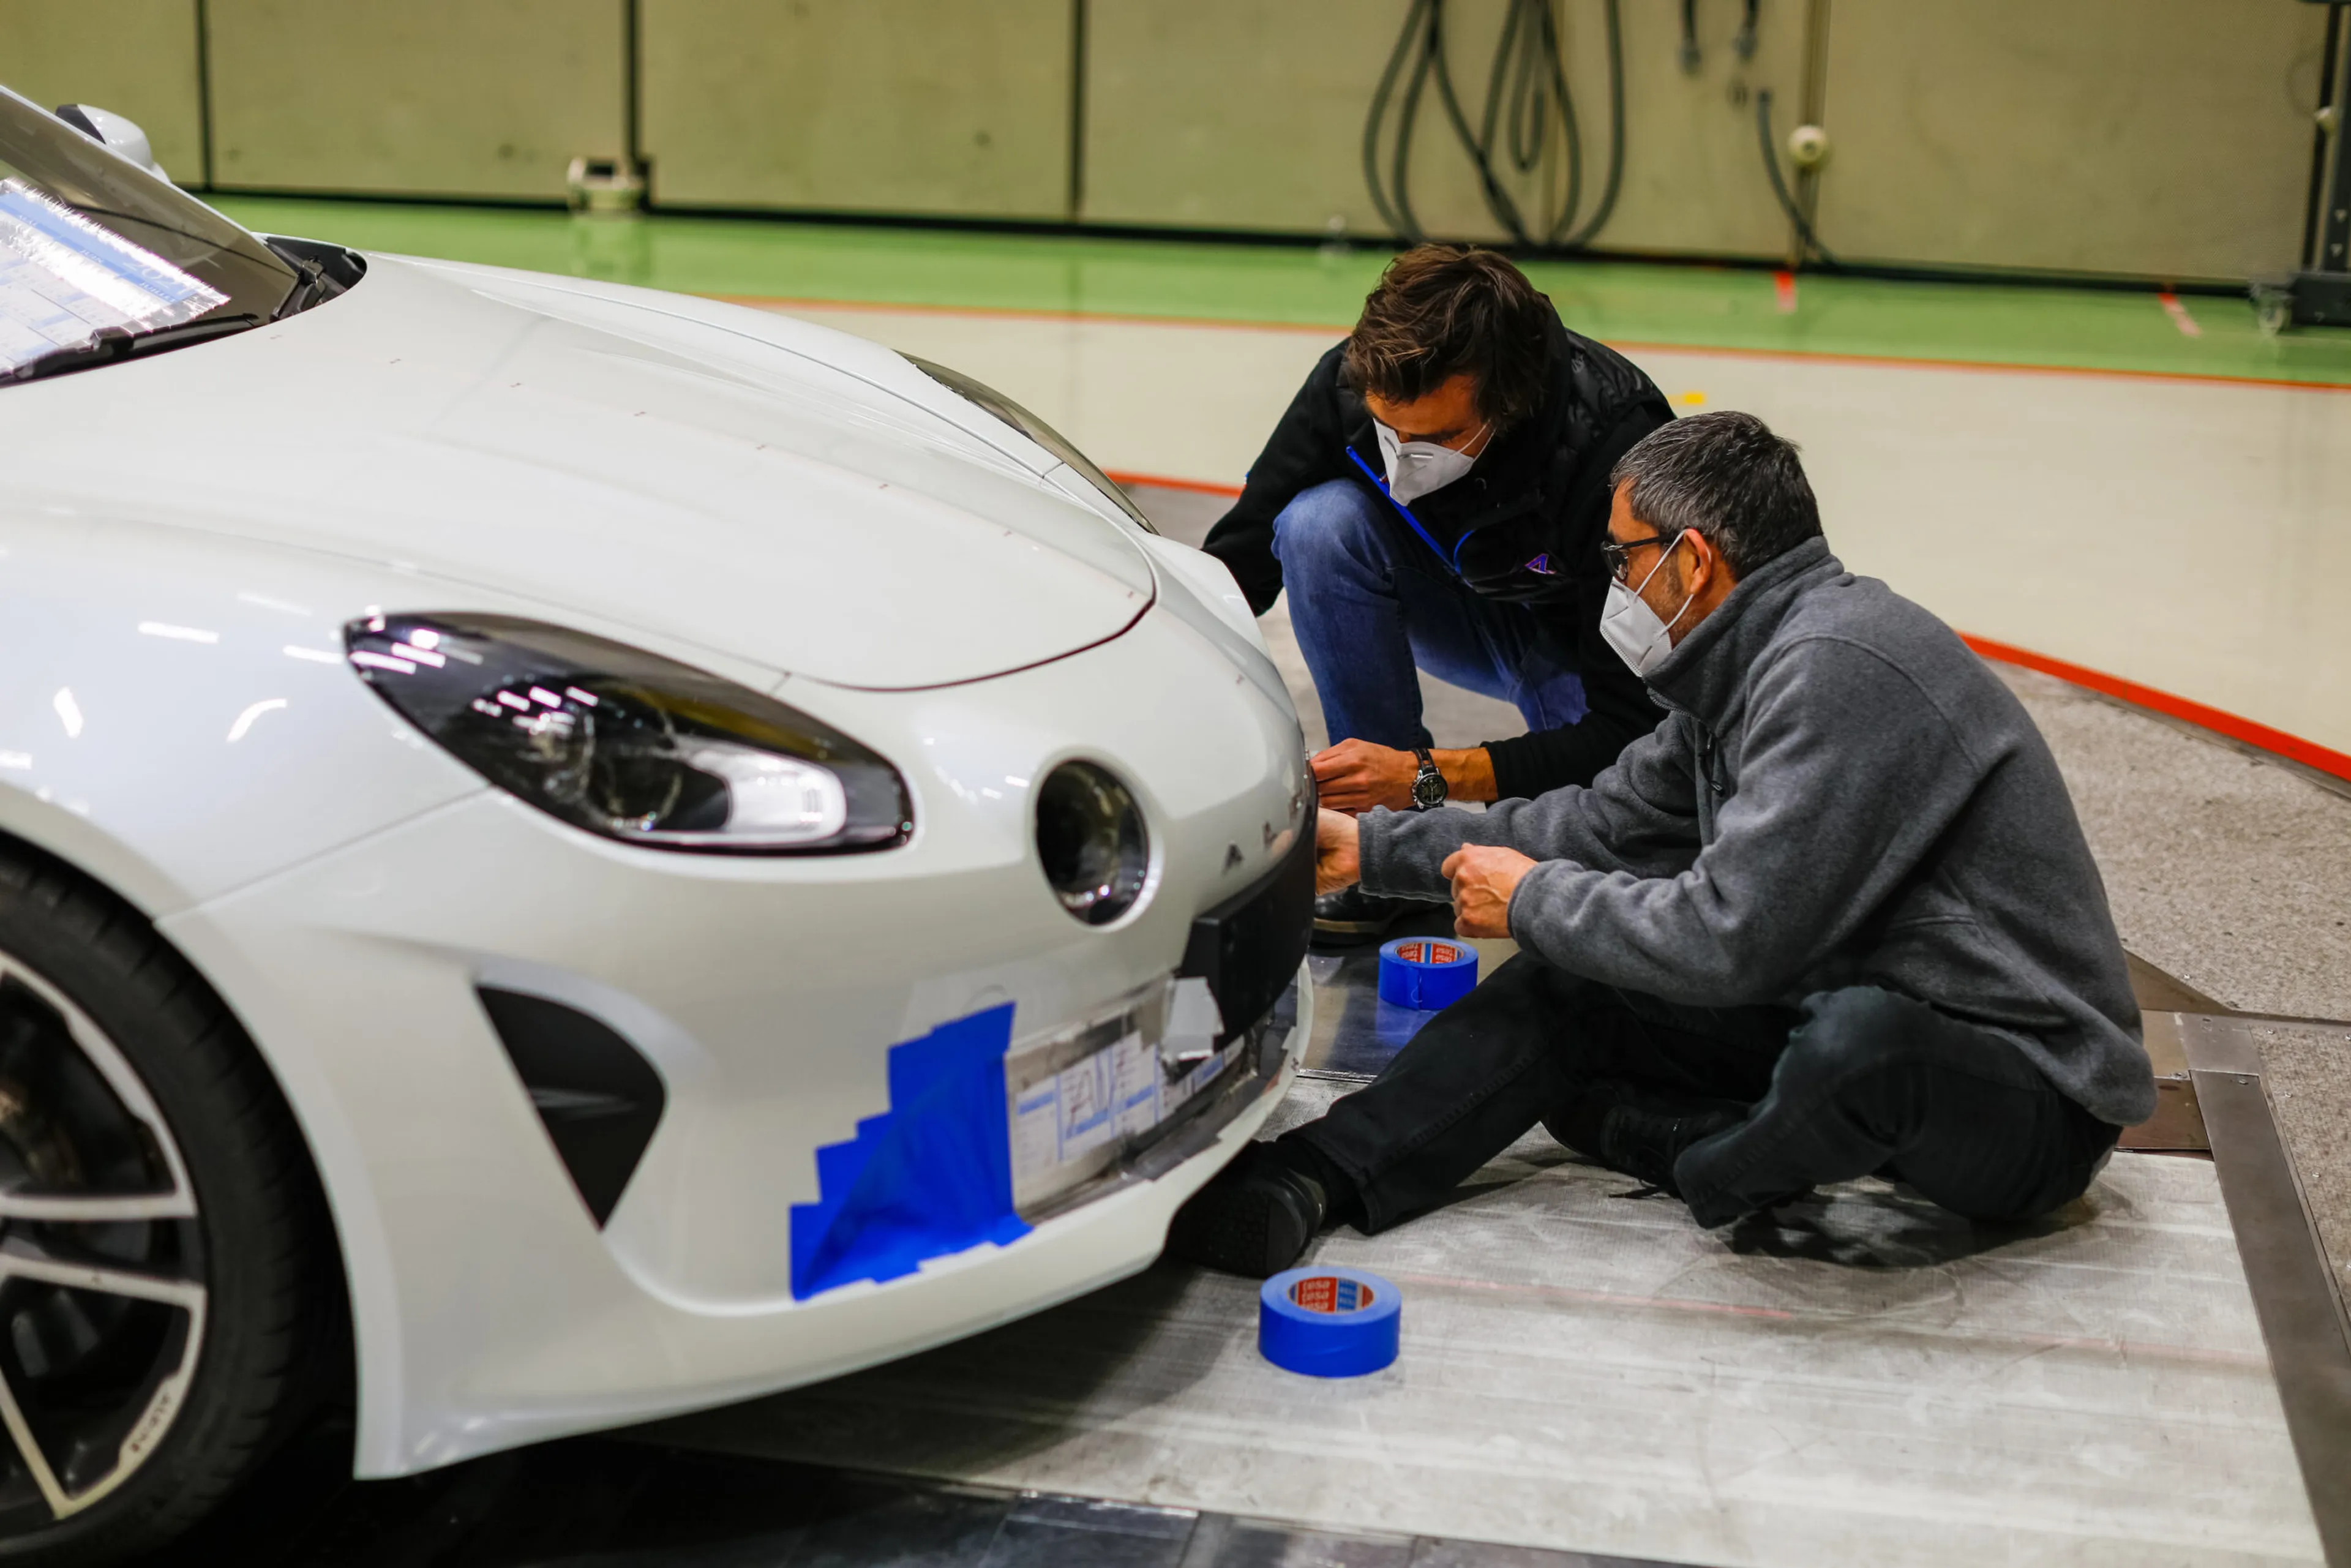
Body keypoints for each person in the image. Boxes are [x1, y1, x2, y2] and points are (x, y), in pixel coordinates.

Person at [1169, 411, 2154, 1276]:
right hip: (1842, 1003)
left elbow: (1732, 939)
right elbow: (1595, 826)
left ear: (1693, 561)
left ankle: (1723, 1166)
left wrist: (1531, 899)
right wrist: (1377, 850)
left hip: (2023, 1090)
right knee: (1575, 980)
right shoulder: (1737, 676)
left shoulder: (1835, 666)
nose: (1614, 583)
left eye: (1621, 557)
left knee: (1856, 1047)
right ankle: (1315, 1176)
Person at [1202, 245, 1672, 945]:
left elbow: (1630, 722)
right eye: (1386, 429)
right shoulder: (1348, 382)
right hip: (1456, 601)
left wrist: (1425, 775)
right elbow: (1236, 563)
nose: (1402, 458)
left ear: (1508, 405)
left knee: (1595, 862)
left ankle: (1406, 811)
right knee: (1317, 524)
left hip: (1578, 645)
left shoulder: (1615, 446)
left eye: (1439, 437)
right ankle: (1386, 847)